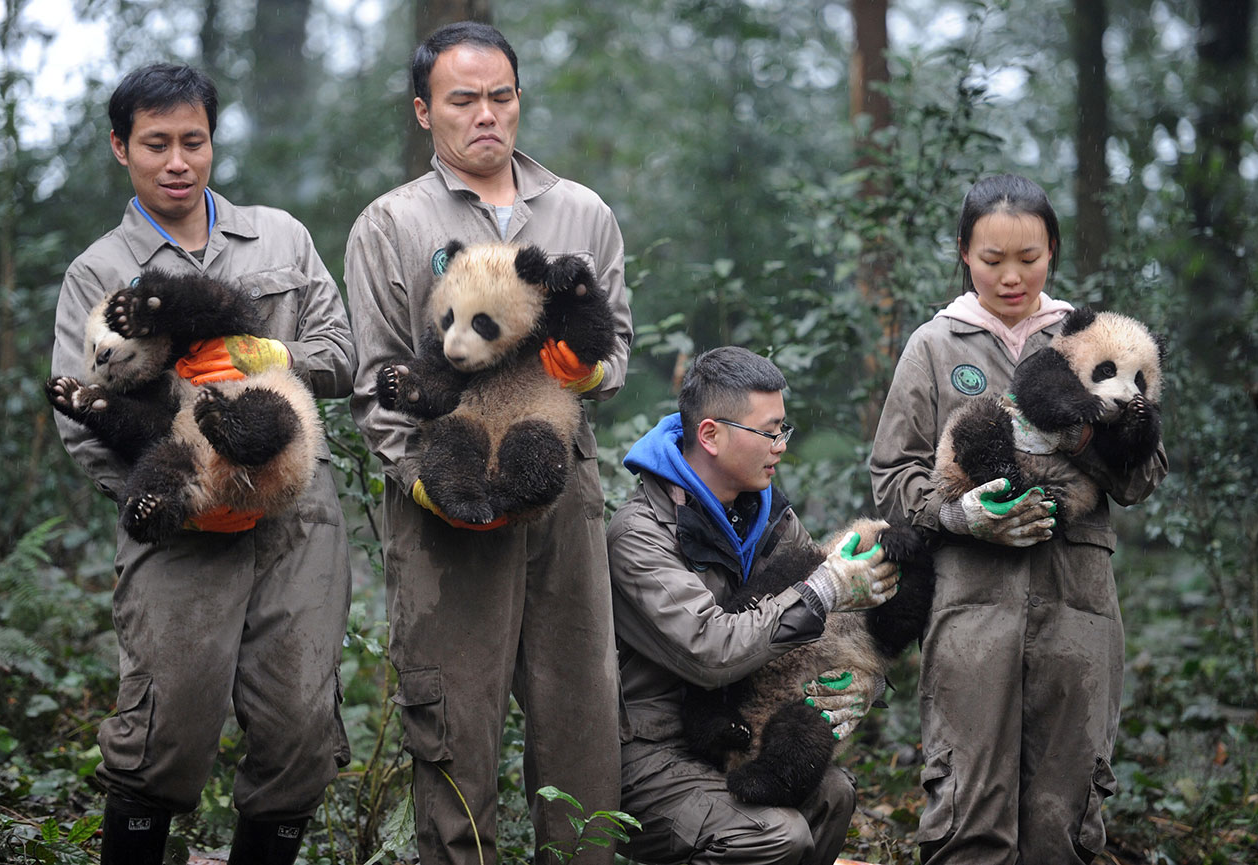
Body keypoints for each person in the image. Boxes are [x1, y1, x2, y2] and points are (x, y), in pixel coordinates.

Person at [49, 63, 355, 865]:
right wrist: (179, 491)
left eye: (194, 140)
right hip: (180, 525)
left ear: (214, 141)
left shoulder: (281, 238)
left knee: (298, 723)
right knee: (166, 725)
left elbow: (342, 352)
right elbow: (83, 424)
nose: (177, 160)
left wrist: (270, 351)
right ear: (122, 148)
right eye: (156, 144)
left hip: (296, 516)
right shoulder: (99, 271)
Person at [343, 21, 633, 865]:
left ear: (519, 99)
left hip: (561, 480)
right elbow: (378, 379)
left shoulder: (581, 211)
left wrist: (582, 370)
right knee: (456, 718)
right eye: (462, 99)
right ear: (424, 112)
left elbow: (615, 357)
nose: (486, 115)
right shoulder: (391, 224)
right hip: (448, 485)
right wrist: (424, 482)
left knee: (581, 704)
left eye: (500, 96)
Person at [869, 174, 1168, 864]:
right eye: (992, 258)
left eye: (1028, 258)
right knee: (969, 807)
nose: (1011, 276)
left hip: (1079, 605)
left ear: (1054, 250)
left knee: (1064, 812)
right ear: (963, 254)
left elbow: (1146, 474)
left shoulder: (1097, 339)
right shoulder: (935, 346)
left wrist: (1094, 436)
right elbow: (892, 477)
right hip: (973, 605)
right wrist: (963, 513)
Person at [608, 346, 901, 865]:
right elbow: (709, 651)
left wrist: (865, 685)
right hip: (651, 753)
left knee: (834, 796)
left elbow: (835, 628)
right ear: (711, 436)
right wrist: (824, 590)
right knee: (775, 834)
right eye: (769, 432)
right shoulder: (639, 536)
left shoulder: (772, 519)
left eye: (784, 430)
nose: (781, 446)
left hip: (741, 735)